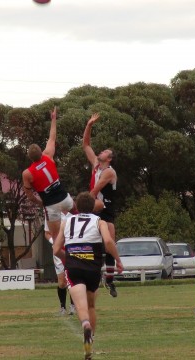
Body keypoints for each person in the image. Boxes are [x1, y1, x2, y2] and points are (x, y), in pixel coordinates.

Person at [52, 192, 123, 360]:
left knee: (80, 306)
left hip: (74, 268)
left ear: (76, 206)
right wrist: (118, 261)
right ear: (93, 207)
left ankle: (85, 325)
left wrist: (68, 259)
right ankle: (91, 340)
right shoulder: (100, 221)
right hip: (93, 268)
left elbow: (55, 250)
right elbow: (107, 242)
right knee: (91, 305)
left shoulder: (67, 222)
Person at [22, 106, 74, 243]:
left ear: (29, 157)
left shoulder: (27, 173)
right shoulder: (48, 156)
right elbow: (52, 137)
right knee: (83, 217)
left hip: (51, 205)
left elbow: (30, 196)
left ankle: (64, 263)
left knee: (56, 239)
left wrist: (41, 202)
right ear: (41, 151)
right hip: (65, 198)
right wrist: (53, 119)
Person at [82, 112, 119, 297]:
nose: (101, 151)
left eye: (105, 151)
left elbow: (95, 192)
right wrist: (89, 125)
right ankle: (91, 276)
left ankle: (110, 281)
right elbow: (86, 144)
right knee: (94, 243)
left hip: (104, 209)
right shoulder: (96, 164)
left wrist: (80, 206)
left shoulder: (109, 172)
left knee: (110, 243)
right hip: (94, 208)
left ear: (109, 158)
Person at [44, 217, 75, 315]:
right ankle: (63, 308)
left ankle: (73, 307)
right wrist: (55, 243)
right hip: (58, 251)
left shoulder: (73, 211)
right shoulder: (50, 214)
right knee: (62, 283)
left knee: (73, 279)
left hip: (72, 249)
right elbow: (47, 233)